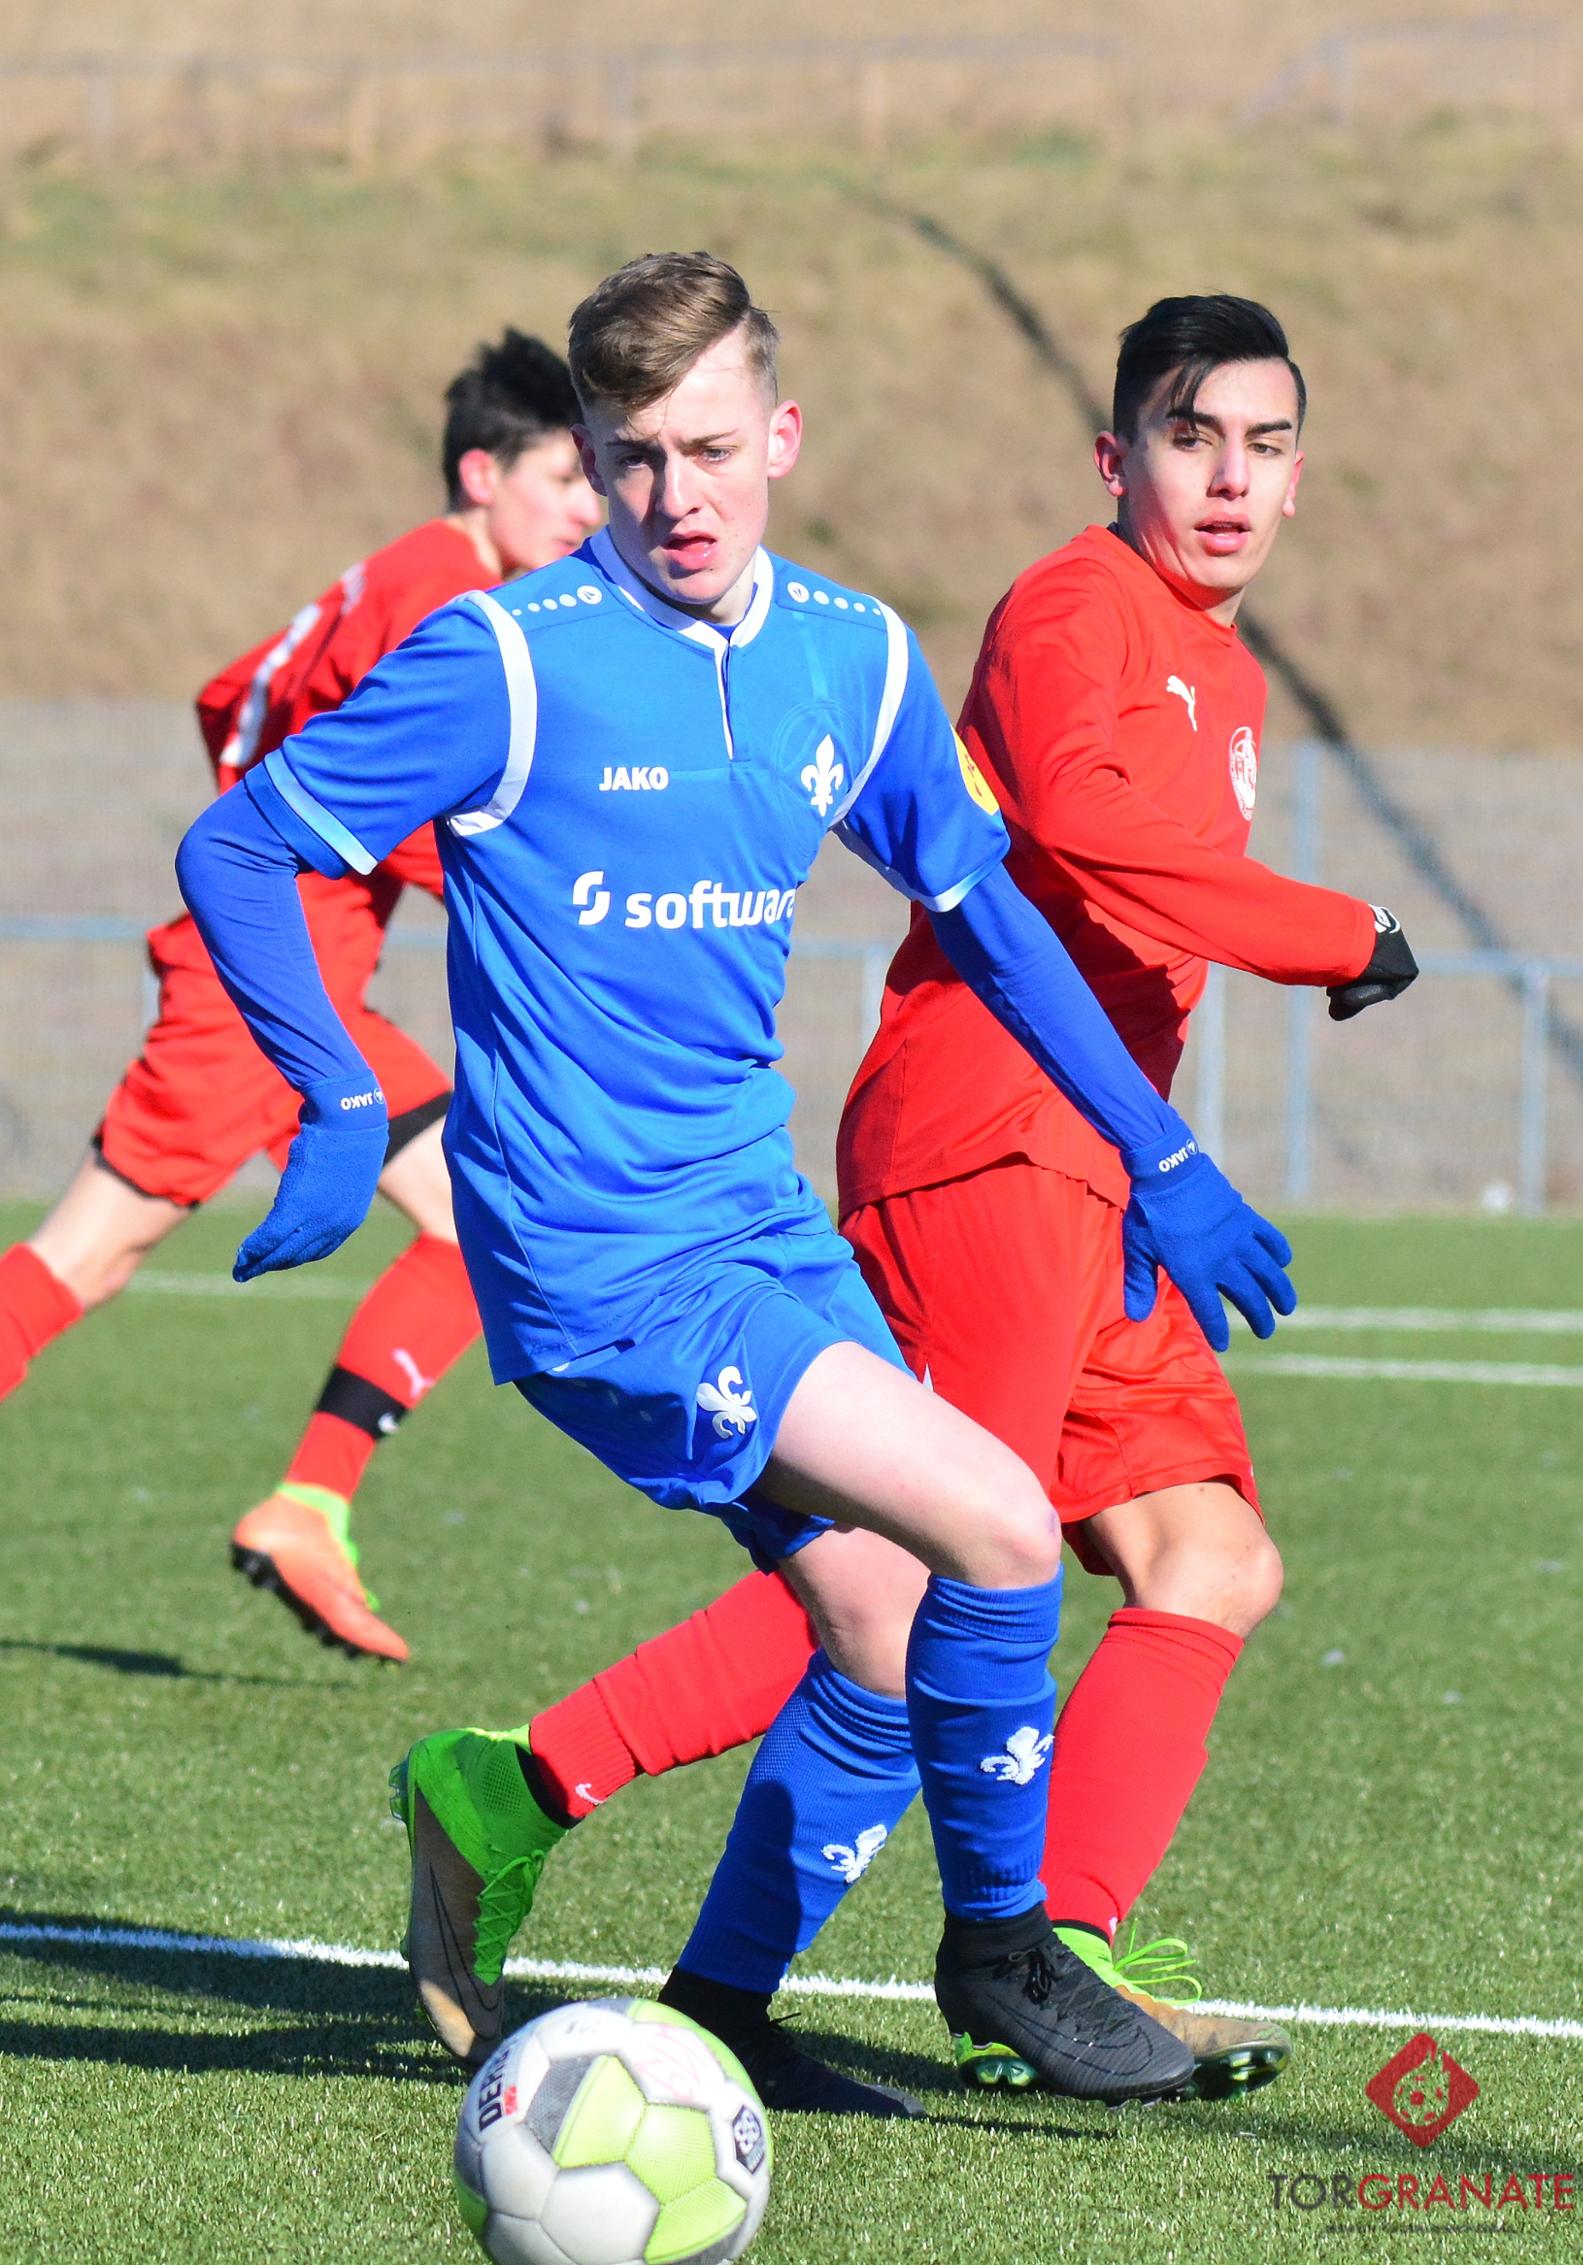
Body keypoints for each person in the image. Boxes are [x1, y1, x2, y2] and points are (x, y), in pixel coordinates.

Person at [174, 252, 1298, 2116]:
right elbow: (239, 845)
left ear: (781, 435)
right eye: (631, 458)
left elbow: (987, 913)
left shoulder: (850, 655)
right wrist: (335, 1097)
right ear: (591, 458)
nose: (674, 497)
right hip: (596, 1258)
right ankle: (1009, 1951)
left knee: (883, 1615)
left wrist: (1160, 1151)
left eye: (708, 449)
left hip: (755, 1219)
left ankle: (705, 2005)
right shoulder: (508, 659)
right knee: (1004, 1529)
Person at [0, 330, 603, 1662]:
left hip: (308, 1000)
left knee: (483, 1222)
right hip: (261, 1002)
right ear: (483, 472)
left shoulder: (387, 576)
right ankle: (309, 1501)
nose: (589, 508)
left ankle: (310, 1505)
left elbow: (232, 697)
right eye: (567, 478)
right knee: (80, 1259)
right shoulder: (445, 592)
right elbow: (420, 815)